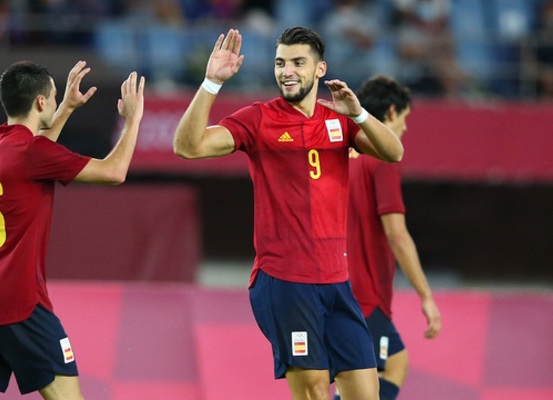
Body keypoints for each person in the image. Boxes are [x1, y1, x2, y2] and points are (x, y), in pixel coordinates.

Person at [173, 27, 404, 400]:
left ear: (320, 70)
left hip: (336, 283)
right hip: (285, 281)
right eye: (280, 63)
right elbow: (187, 147)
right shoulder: (258, 119)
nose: (287, 71)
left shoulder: (339, 120)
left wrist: (358, 113)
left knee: (366, 392)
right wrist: (211, 84)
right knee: (313, 390)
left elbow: (394, 153)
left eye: (298, 62)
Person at [0, 60, 145, 400]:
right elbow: (114, 172)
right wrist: (133, 120)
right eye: (55, 97)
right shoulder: (33, 152)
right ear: (41, 103)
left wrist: (68, 108)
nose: (58, 101)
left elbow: (34, 154)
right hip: (21, 304)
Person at [335, 76, 442, 400]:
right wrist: (426, 295)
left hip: (337, 287)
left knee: (393, 363)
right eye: (406, 119)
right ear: (392, 112)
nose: (406, 128)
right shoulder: (383, 156)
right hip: (365, 295)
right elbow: (396, 234)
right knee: (363, 385)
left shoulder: (344, 151)